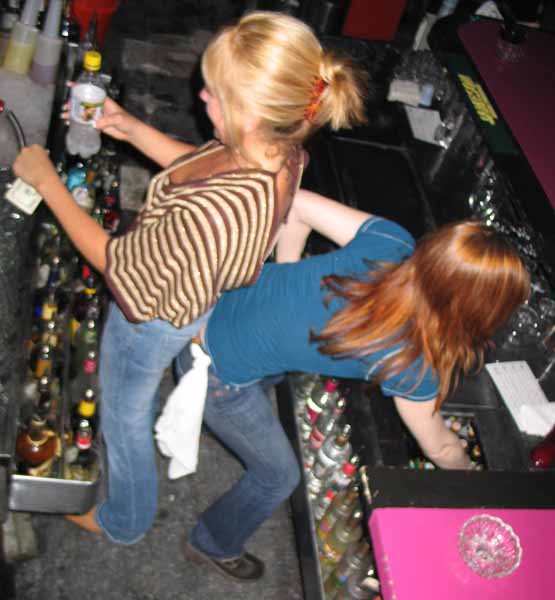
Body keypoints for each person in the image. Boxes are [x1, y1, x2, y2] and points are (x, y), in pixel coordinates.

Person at [12, 11, 367, 545]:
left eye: (214, 93)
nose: (200, 95)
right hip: (194, 291)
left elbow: (114, 261)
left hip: (150, 317)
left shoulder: (213, 213)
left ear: (250, 115)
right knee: (133, 396)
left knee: (123, 414)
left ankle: (125, 521)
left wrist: (47, 183)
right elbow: (202, 165)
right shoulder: (282, 152)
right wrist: (129, 127)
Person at [174, 188, 530, 581]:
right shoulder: (412, 361)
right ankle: (212, 542)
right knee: (279, 477)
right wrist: (472, 477)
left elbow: (295, 202)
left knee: (275, 369)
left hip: (207, 301)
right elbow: (440, 447)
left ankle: (214, 421)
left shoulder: (392, 241)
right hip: (213, 372)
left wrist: (284, 281)